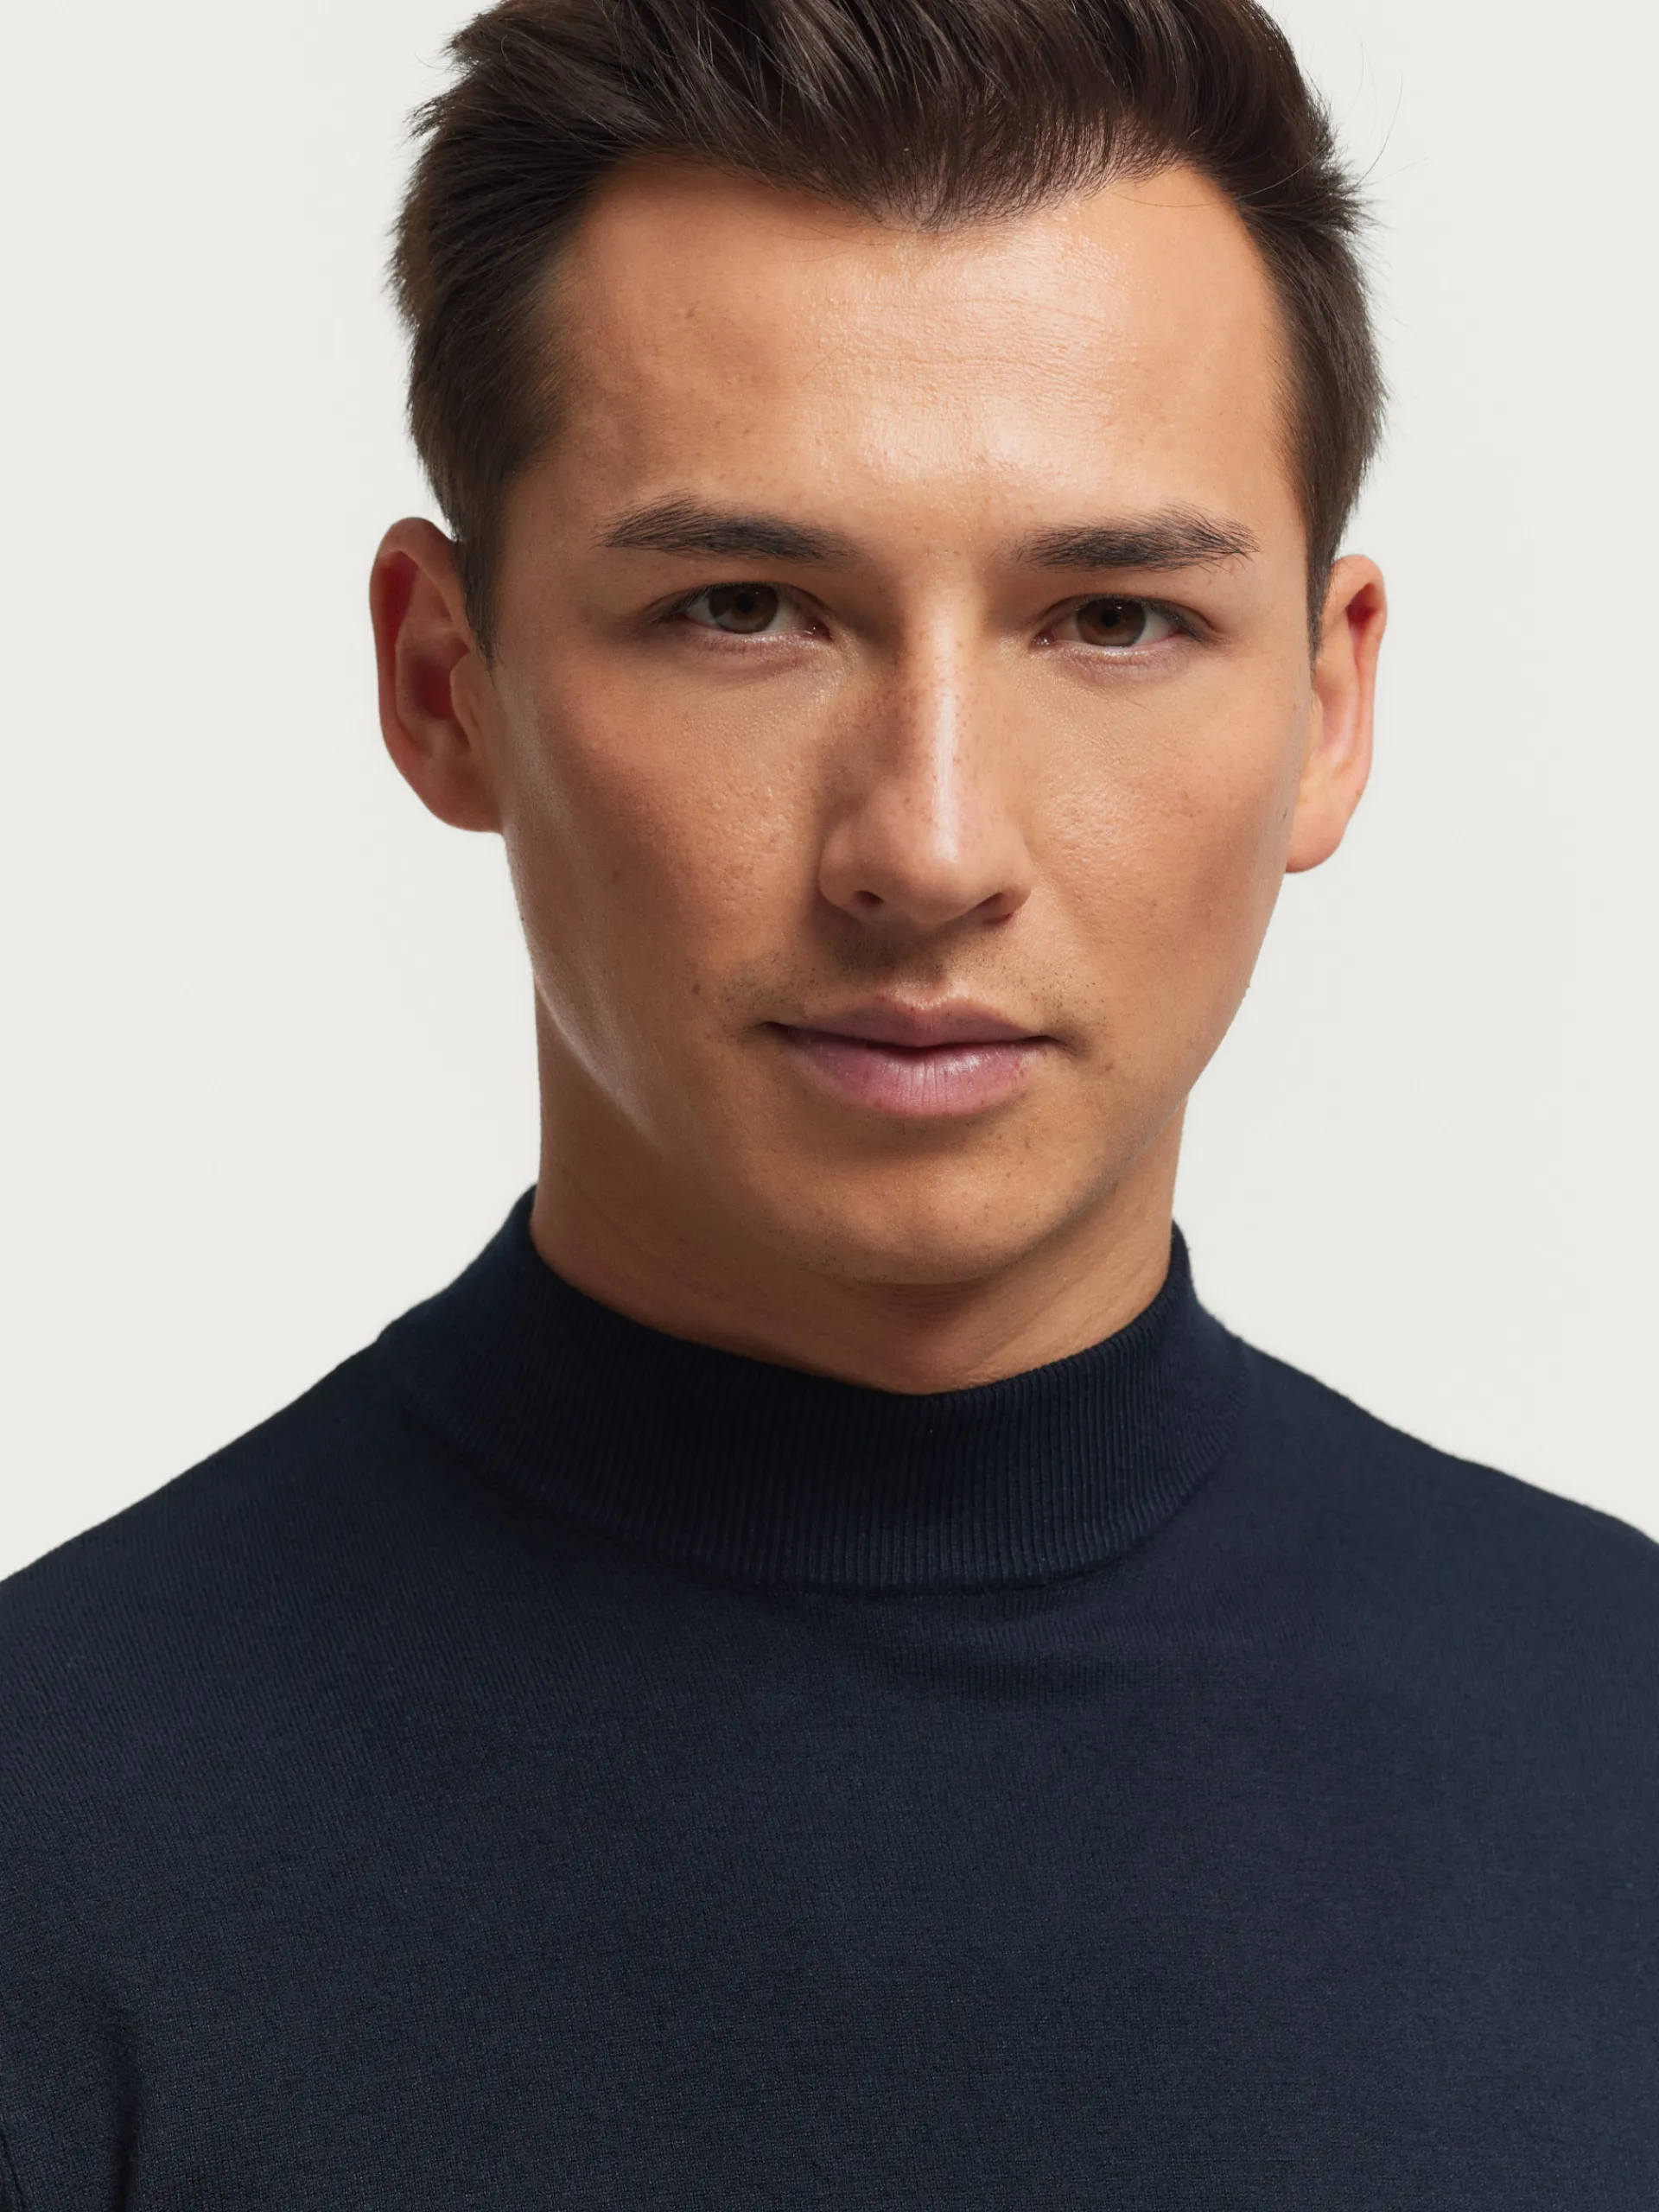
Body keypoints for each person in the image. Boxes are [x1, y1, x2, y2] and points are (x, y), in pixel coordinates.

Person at [3, 0, 1654, 2202]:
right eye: (746, 607)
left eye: (1114, 620)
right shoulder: (50, 1844)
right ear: (443, 681)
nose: (929, 844)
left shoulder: (1624, 1748)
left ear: (1331, 707)